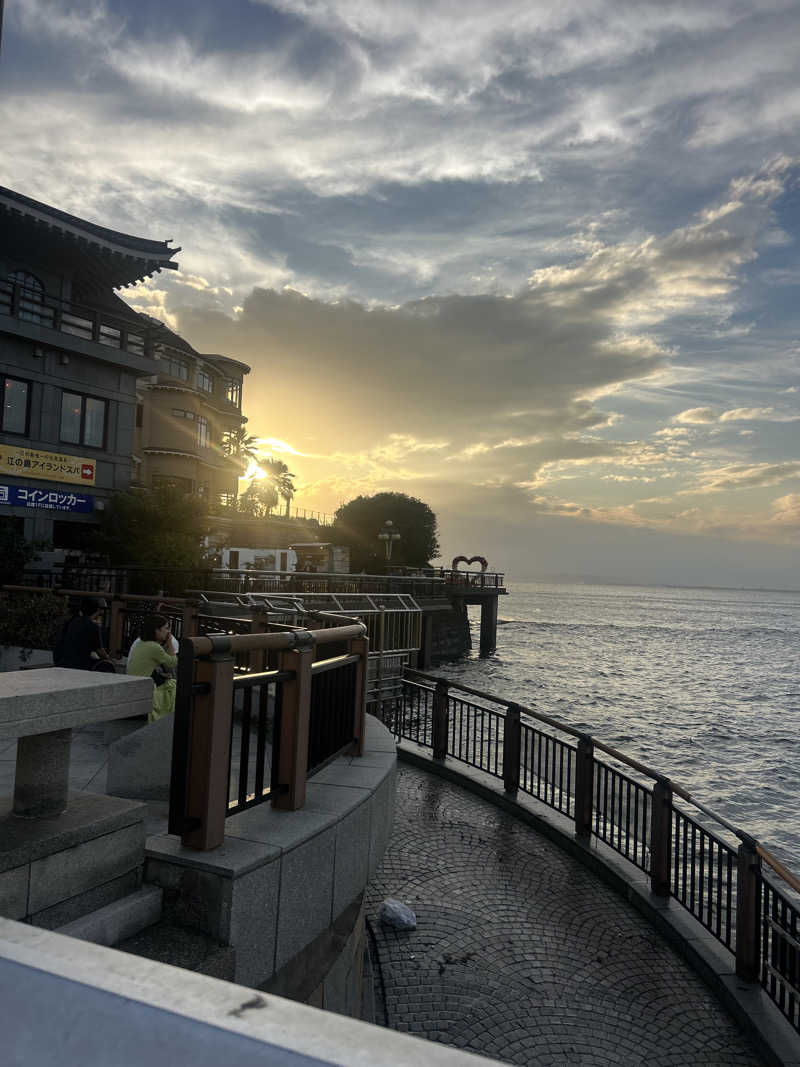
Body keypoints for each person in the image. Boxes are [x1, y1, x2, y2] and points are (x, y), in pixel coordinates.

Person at [126, 614, 178, 722]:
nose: (168, 632)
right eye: (166, 628)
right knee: (174, 687)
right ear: (157, 631)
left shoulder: (141, 642)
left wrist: (161, 675)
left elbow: (144, 667)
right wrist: (169, 643)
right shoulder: (154, 647)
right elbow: (173, 663)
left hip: (134, 684)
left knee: (169, 682)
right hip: (144, 688)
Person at [54, 598, 115, 673]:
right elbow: (101, 652)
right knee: (106, 665)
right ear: (97, 611)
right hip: (79, 665)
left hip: (63, 661)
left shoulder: (73, 621)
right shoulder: (93, 627)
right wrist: (110, 660)